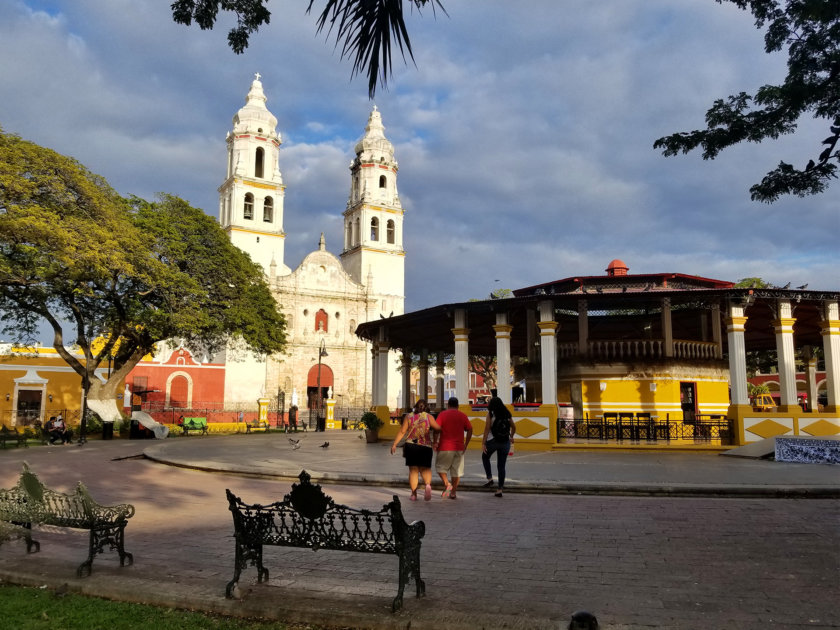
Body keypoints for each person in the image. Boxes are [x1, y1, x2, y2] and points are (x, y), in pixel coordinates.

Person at [390, 399, 441, 501]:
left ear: (415, 406)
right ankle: (427, 485)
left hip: (411, 446)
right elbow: (438, 429)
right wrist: (435, 440)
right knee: (425, 468)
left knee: (413, 470)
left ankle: (413, 494)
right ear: (426, 407)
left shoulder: (409, 416)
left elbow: (402, 431)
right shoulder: (429, 417)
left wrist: (394, 444)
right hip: (425, 447)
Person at [434, 397, 472, 499]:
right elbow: (470, 429)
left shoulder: (442, 414)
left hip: (445, 446)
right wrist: (466, 444)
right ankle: (453, 492)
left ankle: (447, 484)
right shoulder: (463, 415)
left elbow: (436, 429)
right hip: (459, 447)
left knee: (440, 468)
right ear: (458, 406)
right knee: (457, 471)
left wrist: (435, 442)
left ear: (448, 405)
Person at [481, 396, 515, 497]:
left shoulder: (490, 414)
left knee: (485, 457)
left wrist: (483, 443)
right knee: (501, 466)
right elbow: (514, 427)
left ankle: (490, 478)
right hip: (505, 442)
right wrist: (511, 436)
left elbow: (486, 429)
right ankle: (500, 489)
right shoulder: (507, 414)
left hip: (492, 441)